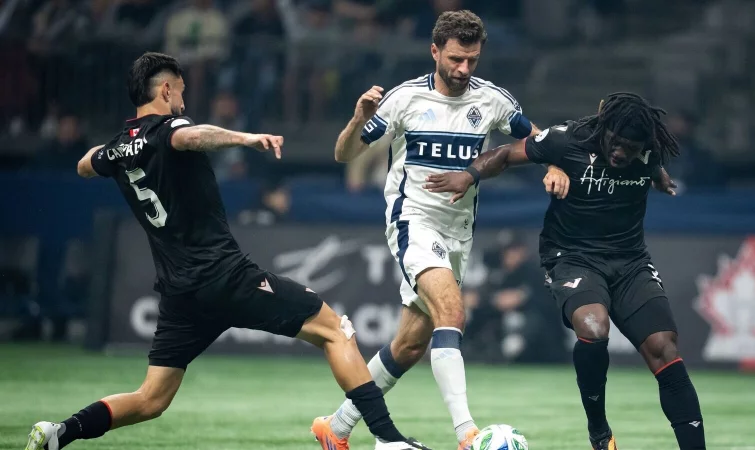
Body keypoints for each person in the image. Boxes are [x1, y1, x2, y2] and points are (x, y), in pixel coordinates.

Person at [24, 52, 430, 450]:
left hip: (180, 293)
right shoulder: (171, 127)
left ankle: (61, 432)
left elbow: (83, 164)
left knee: (151, 399)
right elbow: (191, 135)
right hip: (224, 277)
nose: (184, 100)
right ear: (165, 90)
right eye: (180, 91)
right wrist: (246, 138)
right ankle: (388, 439)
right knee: (334, 331)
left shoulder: (118, 147)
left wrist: (115, 153)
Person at [312, 10, 569, 450]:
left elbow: (535, 138)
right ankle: (467, 434)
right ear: (434, 51)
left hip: (458, 232)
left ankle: (334, 428)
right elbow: (343, 153)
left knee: (410, 345)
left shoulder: (492, 100)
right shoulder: (404, 99)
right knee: (452, 312)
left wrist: (556, 163)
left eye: (472, 60)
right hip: (412, 220)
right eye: (455, 59)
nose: (464, 69)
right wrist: (358, 119)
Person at [424, 92, 706, 450]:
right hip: (572, 257)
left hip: (630, 260)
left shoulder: (649, 148)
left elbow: (650, 160)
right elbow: (506, 154)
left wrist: (658, 174)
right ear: (605, 130)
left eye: (631, 148)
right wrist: (469, 175)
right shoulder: (567, 138)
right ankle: (599, 430)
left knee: (664, 347)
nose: (621, 153)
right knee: (593, 326)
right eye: (616, 143)